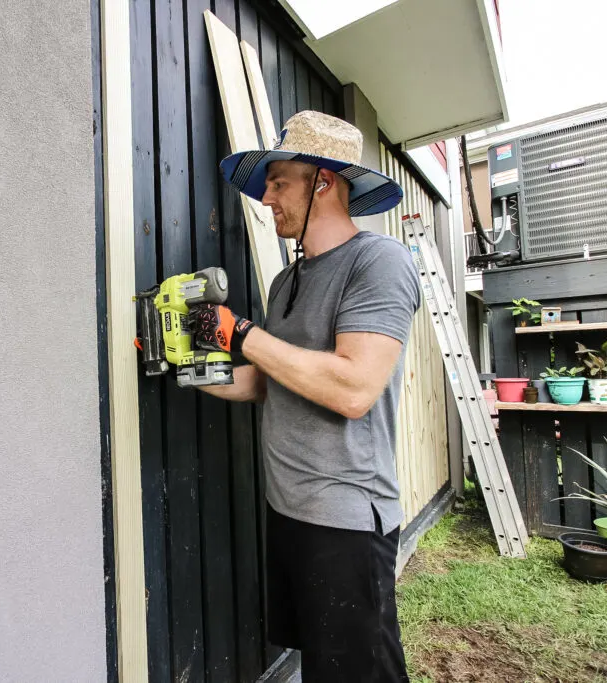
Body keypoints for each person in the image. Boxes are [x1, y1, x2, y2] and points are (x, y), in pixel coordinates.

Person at [187, 111, 419, 682]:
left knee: (359, 674)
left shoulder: (379, 262)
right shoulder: (287, 282)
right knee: (321, 668)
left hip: (346, 519)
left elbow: (354, 388)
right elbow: (267, 380)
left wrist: (239, 332)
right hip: (287, 510)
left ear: (324, 180)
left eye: (278, 181)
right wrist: (188, 366)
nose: (266, 198)